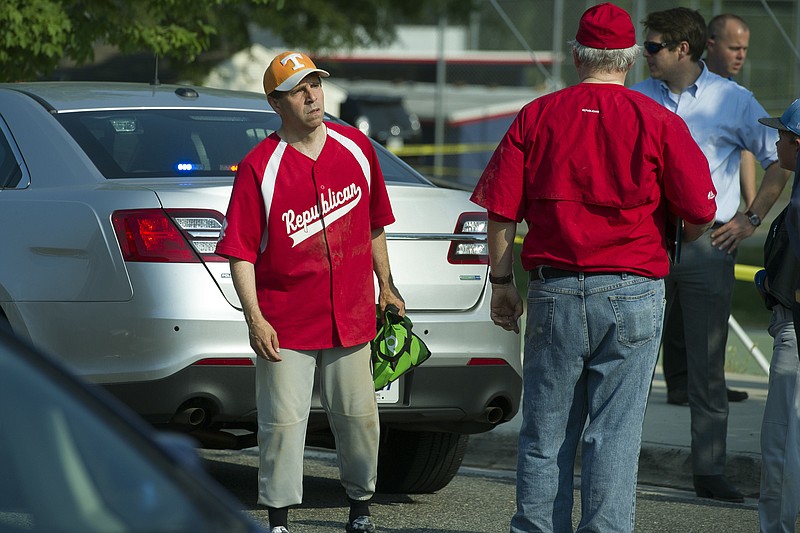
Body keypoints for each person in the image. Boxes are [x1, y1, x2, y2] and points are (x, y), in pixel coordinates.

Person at [470, 4, 716, 531]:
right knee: (615, 436)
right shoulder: (659, 121)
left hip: (556, 289)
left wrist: (502, 282)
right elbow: (699, 213)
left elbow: (500, 212)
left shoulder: (538, 115)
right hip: (633, 289)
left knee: (546, 434)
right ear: (629, 58)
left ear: (576, 55)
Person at [215, 50, 405, 533]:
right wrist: (254, 318)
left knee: (360, 420)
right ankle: (278, 519)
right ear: (277, 102)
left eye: (315, 84)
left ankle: (360, 509)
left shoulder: (357, 148)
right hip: (287, 322)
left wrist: (388, 286)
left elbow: (375, 225)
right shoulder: (261, 167)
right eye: (299, 89)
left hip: (353, 316)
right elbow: (240, 251)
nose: (312, 95)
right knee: (281, 426)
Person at [631, 7, 792, 503]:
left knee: (706, 366)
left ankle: (709, 471)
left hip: (708, 242)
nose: (645, 54)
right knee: (630, 359)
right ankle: (616, 462)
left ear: (683, 48)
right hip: (644, 242)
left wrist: (751, 218)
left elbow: (778, 160)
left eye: (653, 46)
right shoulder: (636, 97)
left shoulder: (734, 101)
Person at [662, 12, 753, 406]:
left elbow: (751, 150)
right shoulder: (652, 93)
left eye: (746, 49)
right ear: (709, 44)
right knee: (668, 318)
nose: (741, 56)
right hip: (662, 231)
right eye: (734, 47)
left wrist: (750, 214)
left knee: (707, 320)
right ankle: (680, 382)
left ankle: (705, 386)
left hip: (711, 227)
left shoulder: (734, 98)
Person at [756, 101, 800, 533]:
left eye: (783, 136)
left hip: (795, 332)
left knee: (783, 448)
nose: (776, 142)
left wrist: (771, 284)